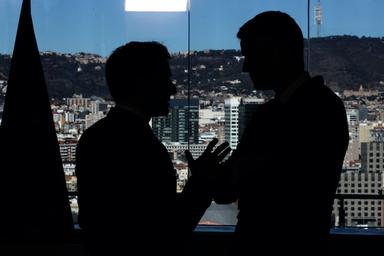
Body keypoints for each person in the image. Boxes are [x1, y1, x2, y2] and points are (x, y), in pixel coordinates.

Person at [213, 11, 349, 255]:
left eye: (250, 55)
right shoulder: (326, 107)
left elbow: (234, 187)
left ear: (275, 53)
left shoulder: (273, 115)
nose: (245, 66)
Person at [75, 41, 230, 255]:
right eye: (165, 79)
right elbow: (165, 232)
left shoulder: (94, 136)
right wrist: (201, 183)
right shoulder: (141, 147)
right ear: (142, 83)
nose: (173, 88)